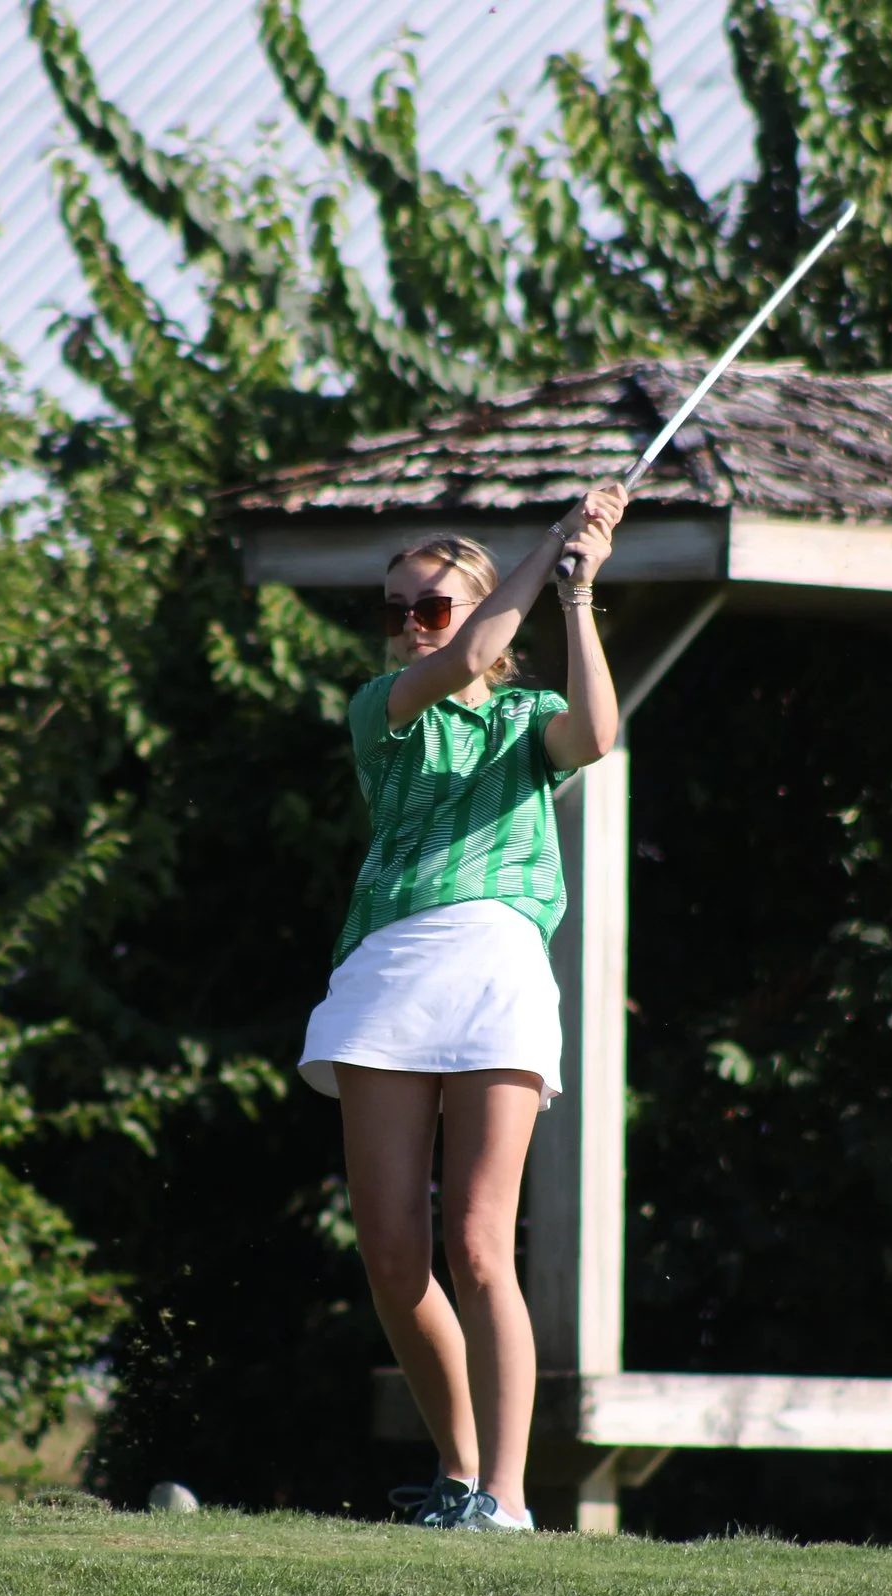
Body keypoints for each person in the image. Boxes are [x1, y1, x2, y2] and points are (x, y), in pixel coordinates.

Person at [298, 484, 628, 1532]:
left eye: (429, 607)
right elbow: (460, 660)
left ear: (479, 612)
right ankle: (457, 1468)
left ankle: (509, 1498)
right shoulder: (383, 705)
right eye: (395, 606)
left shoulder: (528, 719)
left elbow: (598, 733)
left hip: (498, 969)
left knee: (480, 1245)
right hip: (389, 973)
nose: (408, 624)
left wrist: (576, 594)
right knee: (394, 1256)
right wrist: (543, 549)